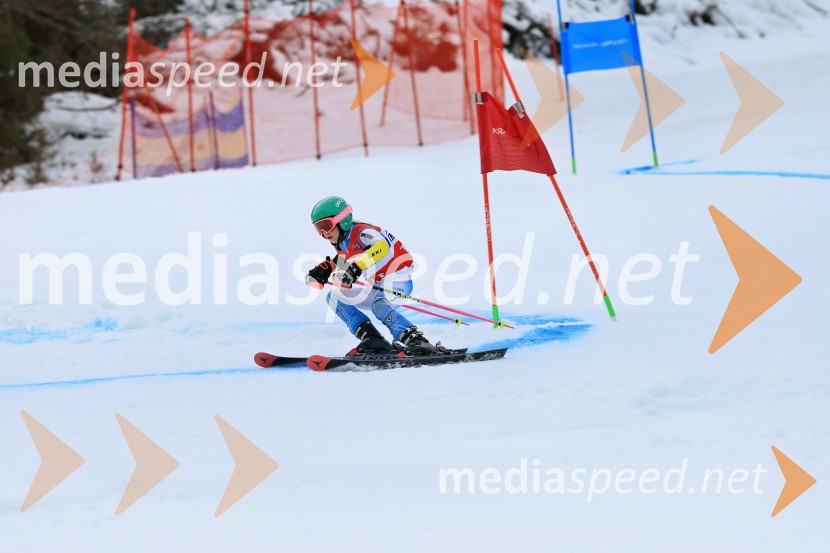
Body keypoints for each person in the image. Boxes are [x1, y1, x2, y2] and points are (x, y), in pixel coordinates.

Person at [305, 196, 447, 355]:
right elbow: (346, 259)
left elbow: (382, 246)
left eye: (327, 225)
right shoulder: (342, 242)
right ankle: (372, 338)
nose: (324, 233)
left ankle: (415, 340)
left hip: (398, 281)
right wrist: (325, 269)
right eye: (319, 229)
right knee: (334, 296)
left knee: (379, 304)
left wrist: (357, 268)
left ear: (342, 220)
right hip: (377, 287)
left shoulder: (363, 232)